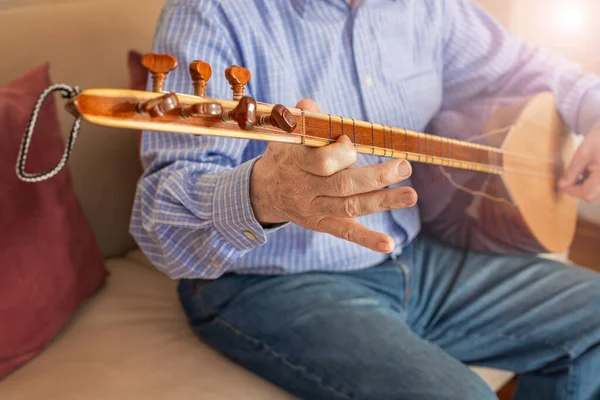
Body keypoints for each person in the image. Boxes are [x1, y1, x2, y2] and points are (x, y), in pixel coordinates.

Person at [130, 0, 600, 398]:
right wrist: (265, 196)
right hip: (271, 282)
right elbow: (160, 228)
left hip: (415, 253)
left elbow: (525, 68)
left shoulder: (428, 8)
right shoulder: (212, 13)